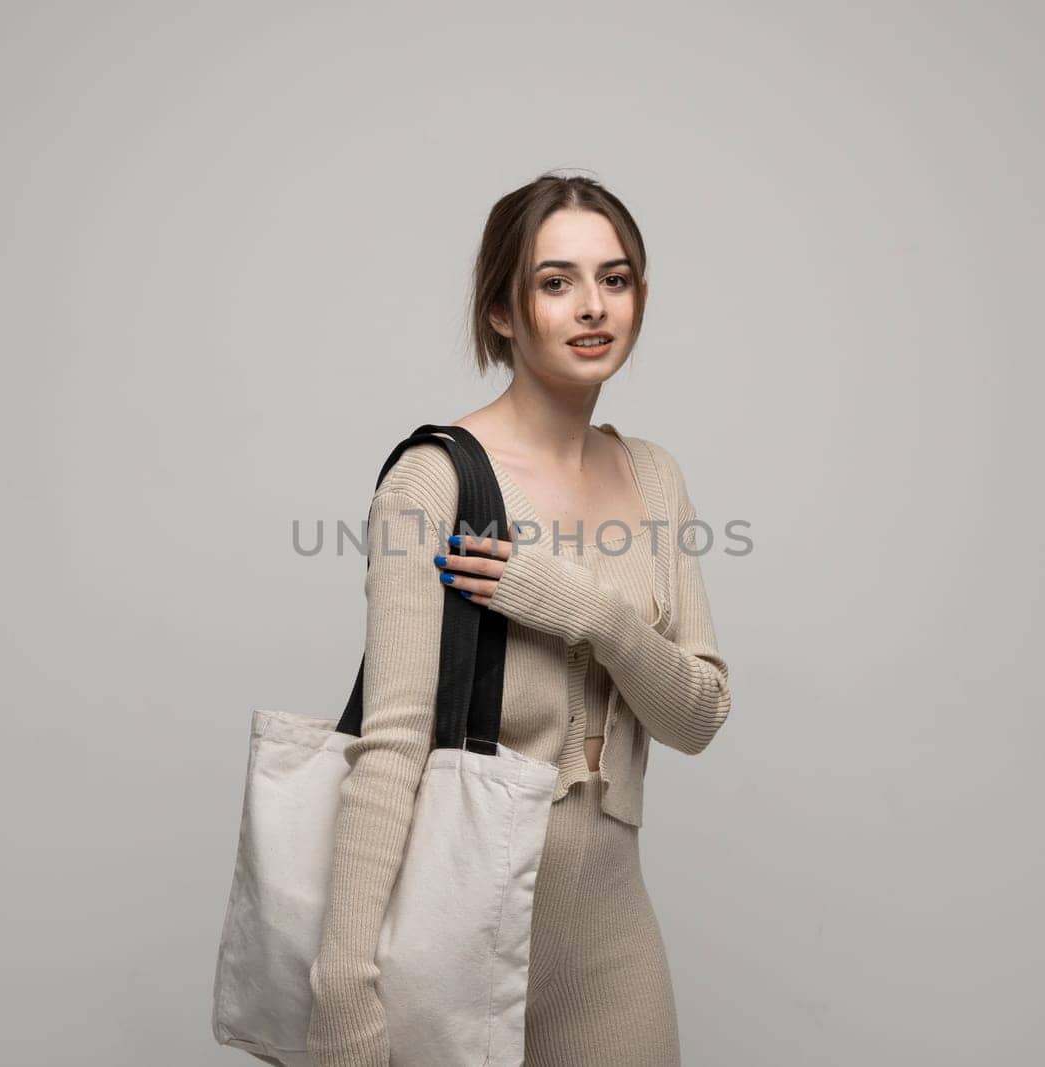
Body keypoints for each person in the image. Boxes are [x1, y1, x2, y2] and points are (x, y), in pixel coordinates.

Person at [306, 171, 732, 1066]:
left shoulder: (655, 476)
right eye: (555, 281)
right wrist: (345, 986)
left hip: (612, 945)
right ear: (501, 311)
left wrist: (593, 614)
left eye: (615, 280)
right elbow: (390, 747)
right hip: (447, 938)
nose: (592, 306)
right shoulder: (433, 482)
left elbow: (697, 715)